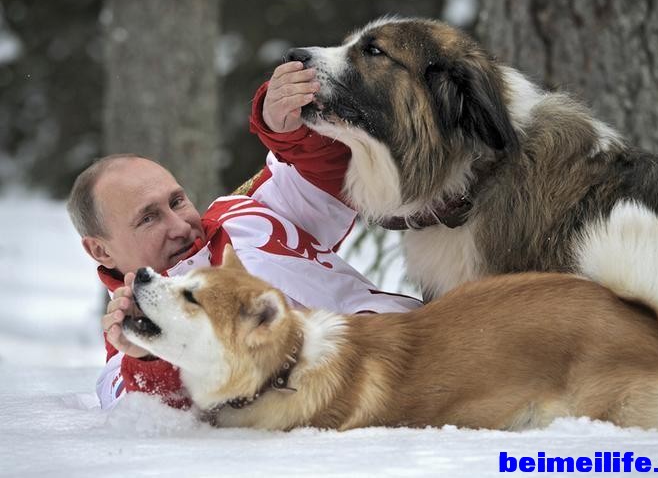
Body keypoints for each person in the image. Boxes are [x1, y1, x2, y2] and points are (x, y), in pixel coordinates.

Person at [67, 61, 422, 409]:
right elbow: (148, 416)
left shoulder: (243, 213)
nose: (179, 226)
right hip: (358, 415)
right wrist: (151, 352)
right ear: (100, 250)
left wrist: (282, 123)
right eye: (148, 218)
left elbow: (330, 174)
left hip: (422, 343)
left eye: (177, 201)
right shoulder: (128, 348)